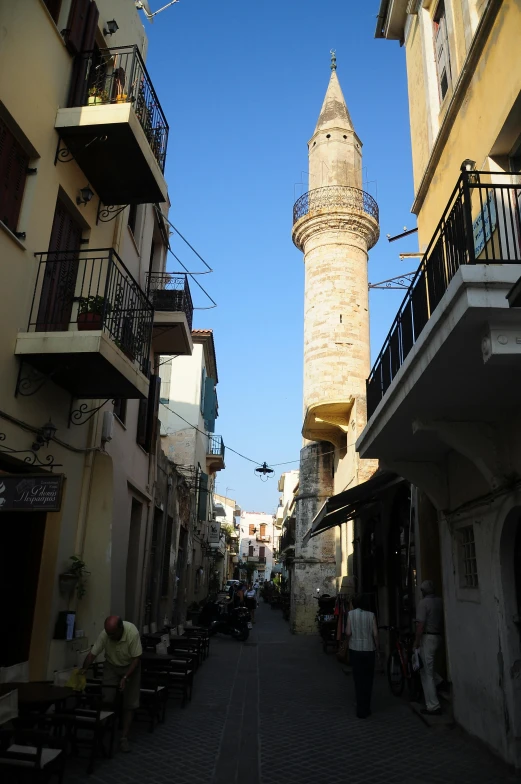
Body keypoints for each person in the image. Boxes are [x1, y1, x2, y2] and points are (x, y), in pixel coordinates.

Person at [81, 615, 142, 752]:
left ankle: (124, 738)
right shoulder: (106, 634)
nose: (109, 636)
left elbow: (136, 659)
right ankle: (100, 732)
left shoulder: (132, 632)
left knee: (129, 703)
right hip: (112, 665)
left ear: (120, 629)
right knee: (106, 698)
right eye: (108, 633)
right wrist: (83, 671)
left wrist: (126, 677)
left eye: (112, 634)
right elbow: (92, 655)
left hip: (130, 665)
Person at [346, 594, 379, 719]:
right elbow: (375, 634)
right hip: (369, 650)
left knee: (358, 680)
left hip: (355, 649)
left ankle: (360, 709)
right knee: (368, 680)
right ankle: (367, 707)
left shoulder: (351, 614)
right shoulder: (371, 615)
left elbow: (348, 632)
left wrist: (347, 640)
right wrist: (378, 648)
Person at [414, 580, 444, 716]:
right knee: (429, 667)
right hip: (439, 636)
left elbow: (420, 625)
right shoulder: (440, 601)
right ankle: (440, 681)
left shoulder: (423, 603)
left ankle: (433, 705)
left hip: (428, 637)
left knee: (426, 673)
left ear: (423, 592)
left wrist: (416, 641)